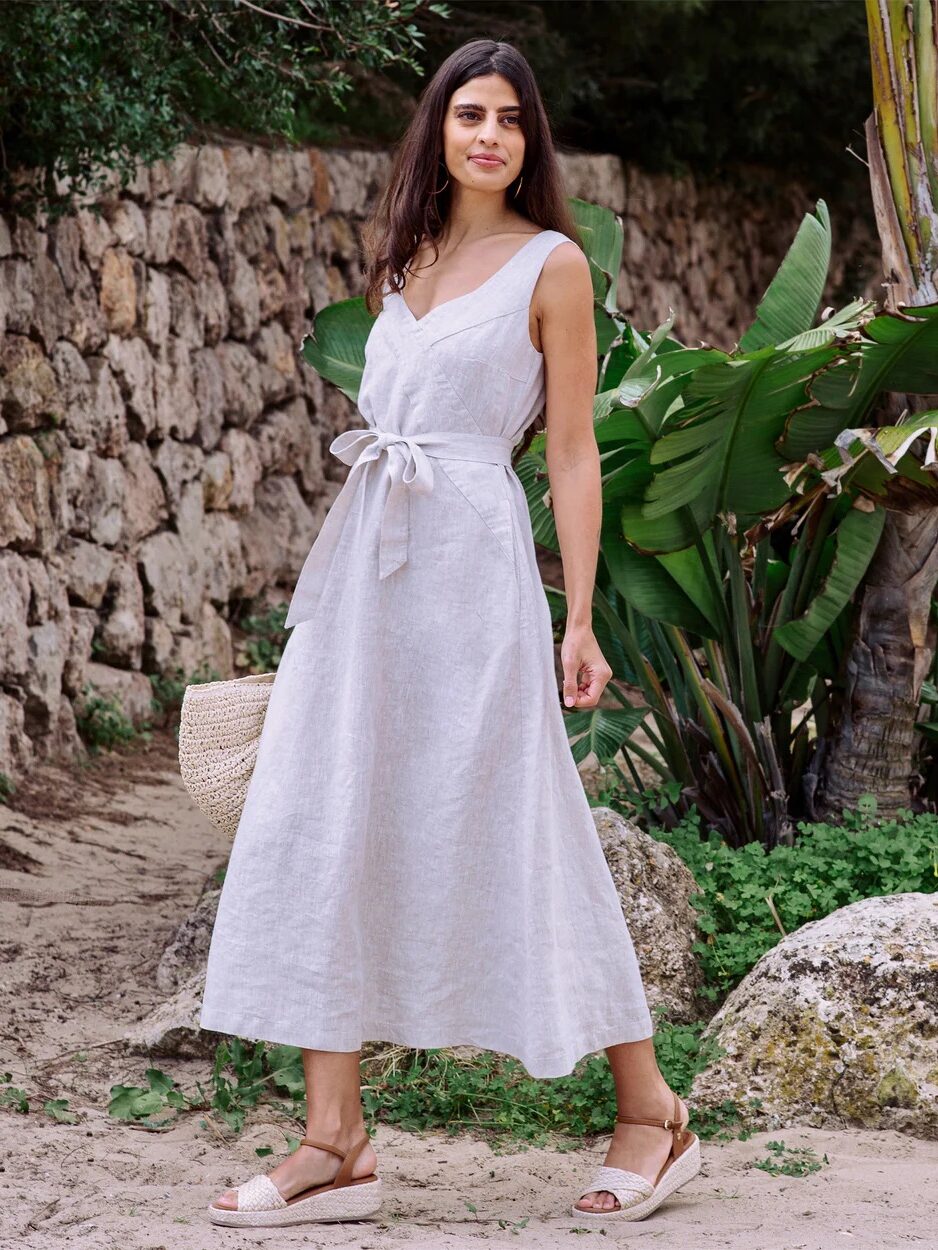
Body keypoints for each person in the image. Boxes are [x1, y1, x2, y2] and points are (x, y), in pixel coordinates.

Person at [201, 36, 701, 1229]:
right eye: (467, 113)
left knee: (519, 820)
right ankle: (337, 1141)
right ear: (437, 130)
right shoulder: (407, 258)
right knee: (323, 812)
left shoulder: (553, 265)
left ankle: (652, 1112)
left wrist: (576, 613)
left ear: (531, 142)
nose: (488, 133)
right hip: (368, 568)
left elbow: (569, 451)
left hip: (472, 562)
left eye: (510, 118)